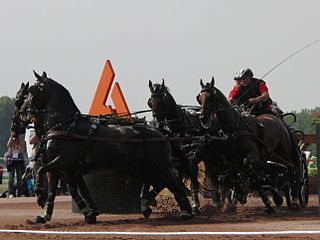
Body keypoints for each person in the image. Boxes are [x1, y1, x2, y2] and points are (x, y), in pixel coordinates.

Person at [6, 132, 27, 198]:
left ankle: (20, 193)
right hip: (11, 161)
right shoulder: (11, 140)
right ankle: (11, 193)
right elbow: (8, 145)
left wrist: (19, 138)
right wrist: (11, 136)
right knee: (11, 178)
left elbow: (22, 148)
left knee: (19, 178)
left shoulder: (22, 141)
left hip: (19, 160)